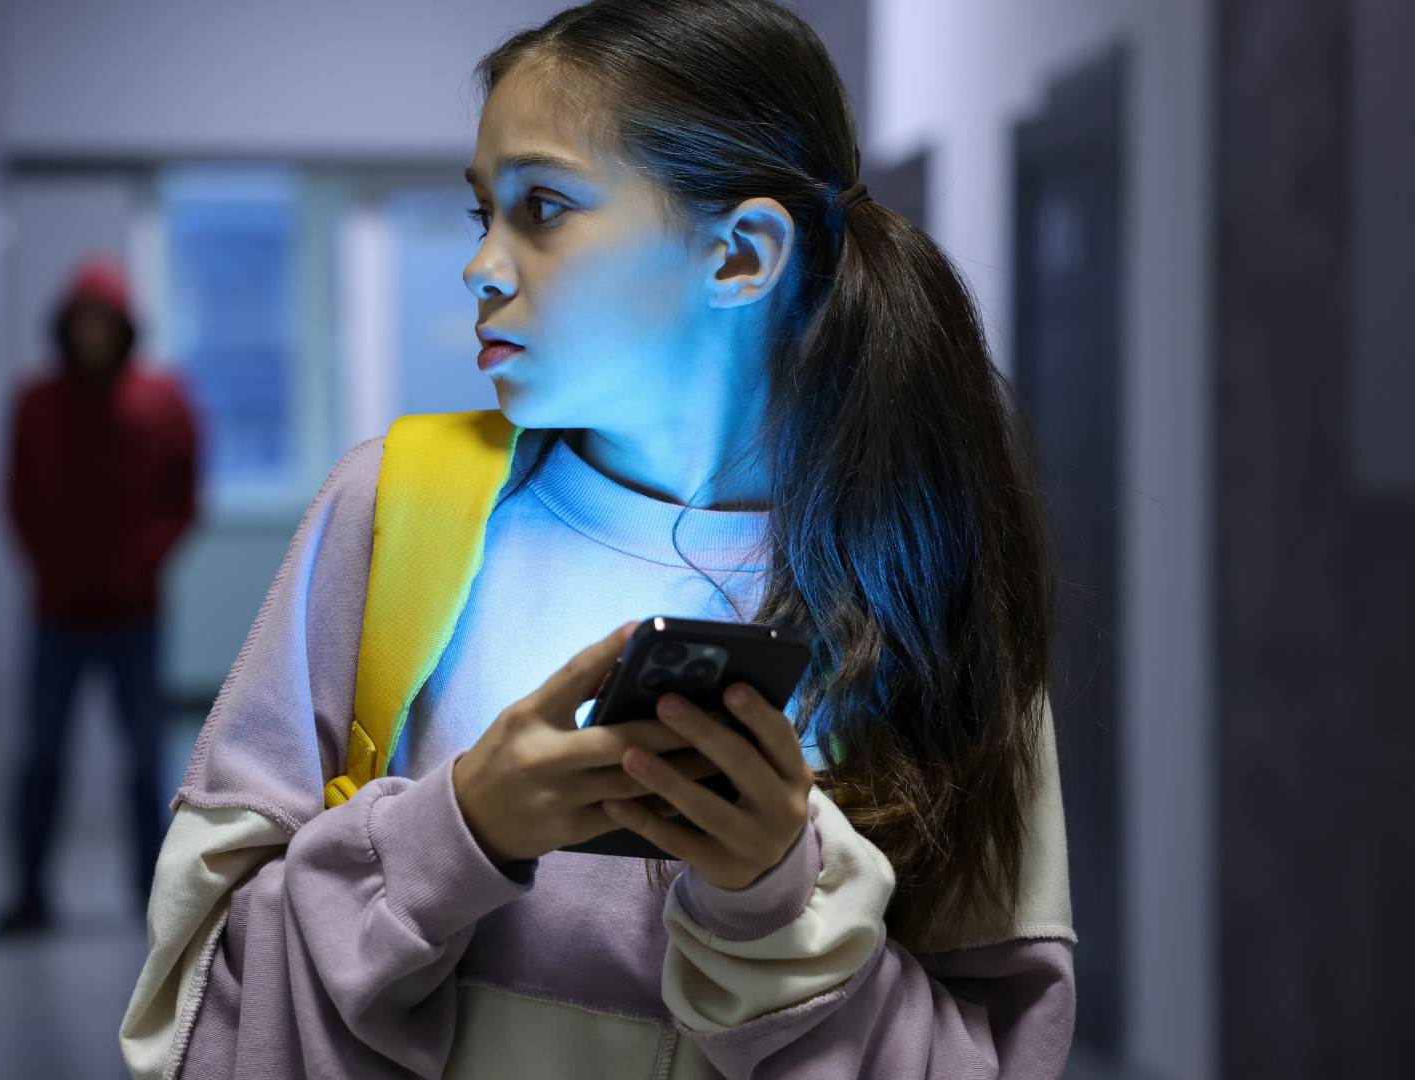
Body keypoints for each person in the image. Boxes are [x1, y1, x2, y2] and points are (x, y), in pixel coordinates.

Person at [122, 1, 1073, 1075]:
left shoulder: (925, 578)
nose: (481, 264)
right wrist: (457, 832)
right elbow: (194, 1002)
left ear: (741, 256)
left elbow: (992, 1055)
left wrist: (774, 906)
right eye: (481, 210)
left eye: (543, 207)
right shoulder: (394, 511)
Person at [0, 260, 197, 933]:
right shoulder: (37, 403)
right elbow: (18, 496)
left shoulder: (160, 401)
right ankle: (29, 893)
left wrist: (145, 558)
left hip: (133, 614)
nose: (92, 335)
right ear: (65, 328)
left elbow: (184, 494)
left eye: (103, 323)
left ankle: (150, 896)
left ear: (123, 329)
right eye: (82, 322)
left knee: (143, 760)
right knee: (41, 756)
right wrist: (49, 563)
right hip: (57, 612)